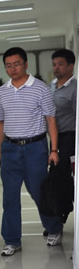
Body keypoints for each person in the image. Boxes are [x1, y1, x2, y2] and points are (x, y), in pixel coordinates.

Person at [0, 46, 62, 256]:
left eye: (16, 64)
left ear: (25, 64)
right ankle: (12, 240)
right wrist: (0, 151)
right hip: (10, 148)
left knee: (39, 191)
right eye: (8, 66)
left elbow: (51, 120)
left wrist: (54, 149)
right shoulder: (2, 91)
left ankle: (54, 228)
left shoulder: (41, 88)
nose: (13, 69)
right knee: (10, 197)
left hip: (35, 148)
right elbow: (0, 123)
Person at [50, 48, 77, 222]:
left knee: (64, 175)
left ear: (70, 66)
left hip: (70, 138)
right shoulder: (52, 85)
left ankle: (63, 212)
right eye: (54, 64)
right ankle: (60, 211)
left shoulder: (75, 88)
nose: (56, 68)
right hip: (54, 138)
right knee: (56, 175)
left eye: (60, 64)